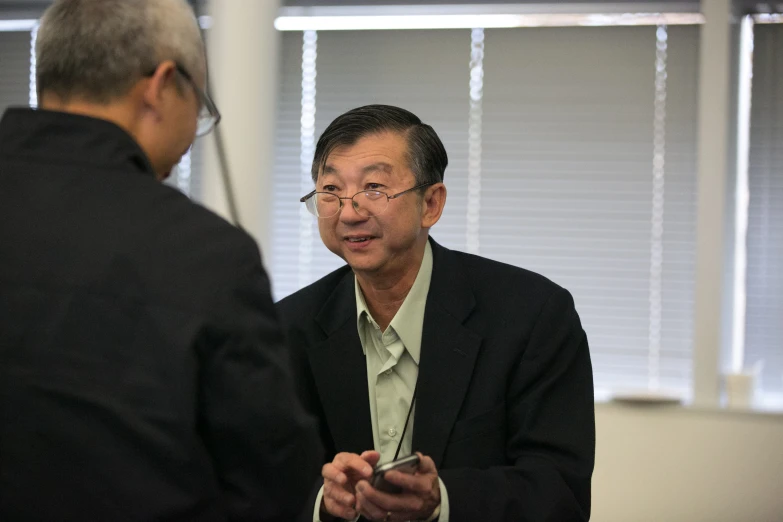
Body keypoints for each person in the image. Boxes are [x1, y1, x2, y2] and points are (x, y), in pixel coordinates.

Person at [0, 0, 322, 520]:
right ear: (161, 85)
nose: (195, 131)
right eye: (198, 100)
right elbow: (272, 480)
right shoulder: (205, 255)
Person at [277, 105, 595, 522]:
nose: (350, 211)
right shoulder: (286, 329)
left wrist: (442, 500)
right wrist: (324, 502)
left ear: (431, 202)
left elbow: (559, 491)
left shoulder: (533, 316)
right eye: (331, 191)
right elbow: (258, 479)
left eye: (374, 187)